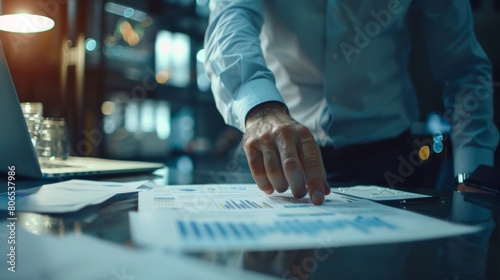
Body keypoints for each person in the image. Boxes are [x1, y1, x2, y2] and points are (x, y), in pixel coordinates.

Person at [204, 0, 499, 205]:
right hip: (273, 155)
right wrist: (262, 109)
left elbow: (465, 72)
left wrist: (473, 184)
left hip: (389, 166)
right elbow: (230, 22)